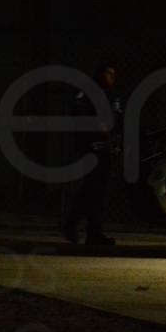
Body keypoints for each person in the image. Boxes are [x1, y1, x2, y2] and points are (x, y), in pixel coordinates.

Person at [62, 63, 122, 246]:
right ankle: (86, 229)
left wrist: (114, 136)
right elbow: (79, 113)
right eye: (107, 72)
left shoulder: (112, 95)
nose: (110, 77)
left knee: (96, 190)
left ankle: (83, 228)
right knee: (93, 188)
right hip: (90, 147)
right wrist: (96, 127)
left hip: (104, 147)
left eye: (113, 73)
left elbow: (118, 117)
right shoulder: (88, 92)